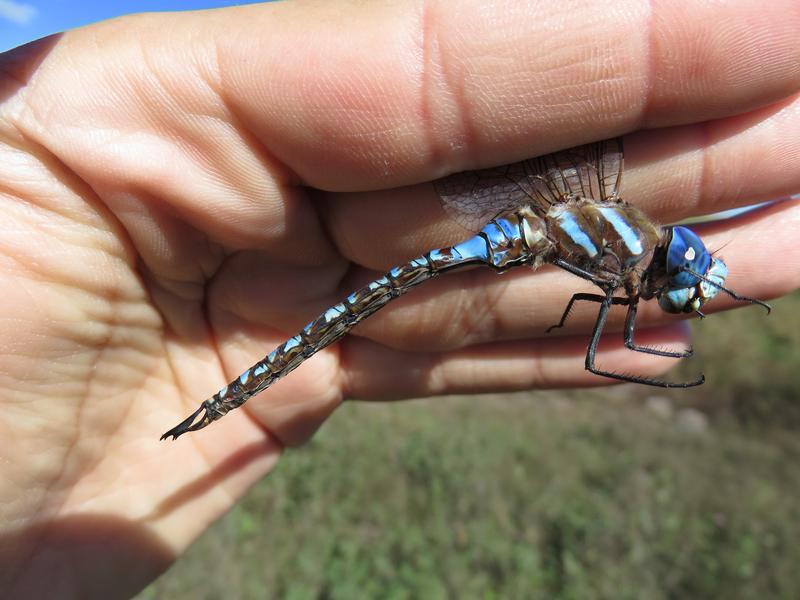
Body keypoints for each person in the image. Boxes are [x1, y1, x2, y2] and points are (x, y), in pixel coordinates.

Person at [1, 0, 798, 596]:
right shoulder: (630, 264)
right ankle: (226, 399)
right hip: (506, 235)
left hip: (520, 233)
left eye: (684, 276)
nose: (683, 276)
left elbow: (582, 311)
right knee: (564, 337)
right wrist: (656, 358)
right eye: (684, 275)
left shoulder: (627, 246)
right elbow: (599, 339)